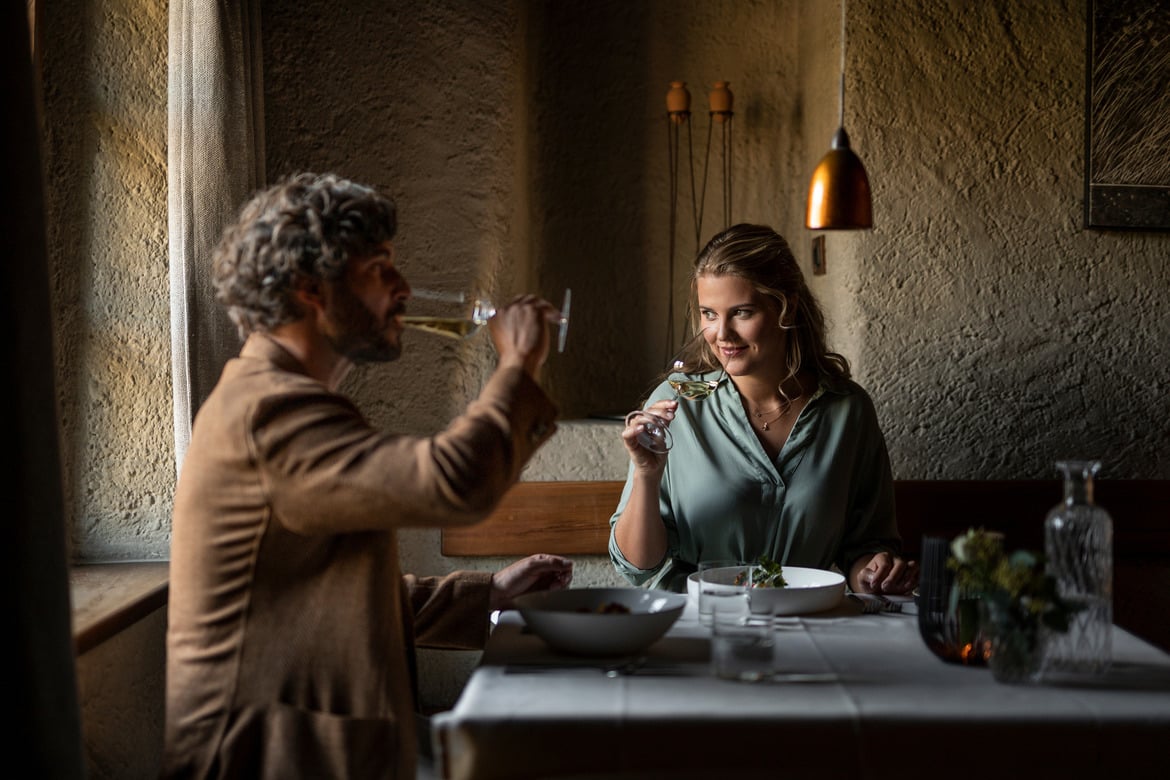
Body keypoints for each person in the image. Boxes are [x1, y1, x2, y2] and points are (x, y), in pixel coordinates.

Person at [162, 172, 573, 780]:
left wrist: (487, 597)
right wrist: (517, 365)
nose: (403, 289)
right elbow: (453, 483)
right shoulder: (268, 412)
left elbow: (318, 593)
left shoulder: (277, 399)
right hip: (263, 756)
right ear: (310, 289)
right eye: (380, 267)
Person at [609, 223, 917, 596]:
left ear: (786, 306)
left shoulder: (848, 412)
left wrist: (873, 574)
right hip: (696, 625)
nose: (722, 334)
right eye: (709, 314)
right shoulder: (676, 405)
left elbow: (866, 549)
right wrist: (645, 473)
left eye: (741, 312)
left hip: (806, 628)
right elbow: (639, 567)